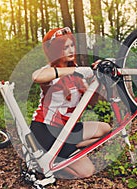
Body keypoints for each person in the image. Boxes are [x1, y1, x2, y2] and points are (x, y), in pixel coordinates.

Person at [30, 27, 111, 178]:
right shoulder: (50, 71)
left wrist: (97, 80)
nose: (70, 50)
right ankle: (45, 164)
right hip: (46, 129)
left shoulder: (78, 72)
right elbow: (36, 77)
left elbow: (93, 102)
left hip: (68, 129)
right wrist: (75, 71)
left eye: (72, 45)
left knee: (105, 129)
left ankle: (69, 149)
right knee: (87, 172)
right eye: (64, 47)